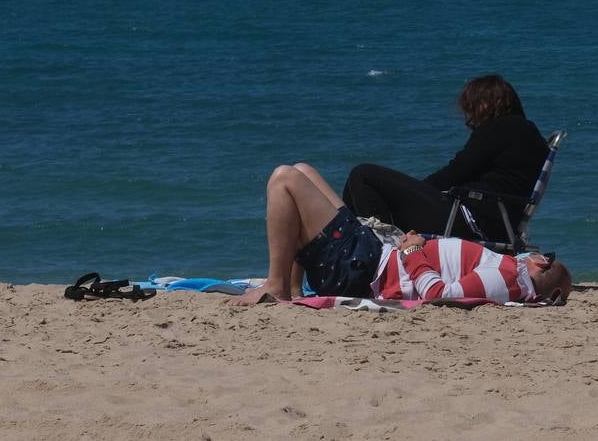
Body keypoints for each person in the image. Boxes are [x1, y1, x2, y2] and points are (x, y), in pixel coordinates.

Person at [231, 161, 571, 306]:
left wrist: (412, 252)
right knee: (304, 169)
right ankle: (291, 287)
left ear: (540, 265)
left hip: (363, 268)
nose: (537, 255)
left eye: (545, 258)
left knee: (283, 178)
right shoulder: (506, 272)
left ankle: (276, 285)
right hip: (374, 254)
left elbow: (440, 295)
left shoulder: (505, 279)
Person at [341, 74, 548, 240]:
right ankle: (361, 247)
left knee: (362, 175)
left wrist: (414, 191)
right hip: (495, 221)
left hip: (469, 218)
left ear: (490, 102)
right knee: (355, 185)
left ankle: (383, 252)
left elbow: (455, 172)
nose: (470, 115)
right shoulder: (528, 134)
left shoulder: (500, 128)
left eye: (472, 106)